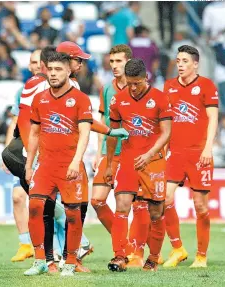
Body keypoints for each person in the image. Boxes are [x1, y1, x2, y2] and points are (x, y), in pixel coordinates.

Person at [24, 52, 93, 276]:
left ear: (68, 71)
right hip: (45, 164)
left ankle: (71, 262)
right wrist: (29, 164)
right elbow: (34, 134)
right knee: (34, 207)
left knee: (73, 214)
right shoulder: (39, 98)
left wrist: (76, 161)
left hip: (69, 165)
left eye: (58, 70)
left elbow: (84, 134)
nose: (53, 74)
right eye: (50, 70)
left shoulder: (80, 99)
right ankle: (40, 260)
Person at [105, 58, 172, 272]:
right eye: (130, 82)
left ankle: (152, 258)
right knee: (122, 206)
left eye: (138, 83)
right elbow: (113, 135)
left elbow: (167, 132)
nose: (133, 88)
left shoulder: (161, 99)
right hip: (128, 161)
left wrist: (150, 153)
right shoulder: (117, 100)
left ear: (146, 78)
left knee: (155, 213)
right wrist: (109, 165)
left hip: (153, 163)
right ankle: (119, 256)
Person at [91, 45, 153, 267]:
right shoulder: (107, 90)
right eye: (112, 62)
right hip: (111, 152)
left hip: (135, 155)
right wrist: (99, 154)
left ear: (129, 63)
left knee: (138, 204)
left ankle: (138, 251)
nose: (115, 66)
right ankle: (124, 245)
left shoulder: (143, 89)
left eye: (119, 61)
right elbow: (105, 124)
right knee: (97, 200)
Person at [162, 45, 219, 268]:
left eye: (185, 61)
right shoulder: (169, 86)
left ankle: (201, 256)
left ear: (195, 63)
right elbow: (166, 121)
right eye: (178, 61)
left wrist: (208, 148)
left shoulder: (206, 85)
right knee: (164, 199)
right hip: (175, 153)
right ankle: (178, 249)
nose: (180, 65)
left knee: (201, 206)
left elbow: (212, 118)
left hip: (199, 154)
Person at [5, 49, 41, 262]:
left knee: (48, 202)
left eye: (36, 62)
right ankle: (25, 244)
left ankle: (71, 245)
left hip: (48, 151)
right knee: (18, 196)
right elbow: (16, 121)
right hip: (26, 149)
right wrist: (10, 152)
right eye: (31, 63)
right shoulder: (24, 90)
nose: (33, 66)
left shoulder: (55, 88)